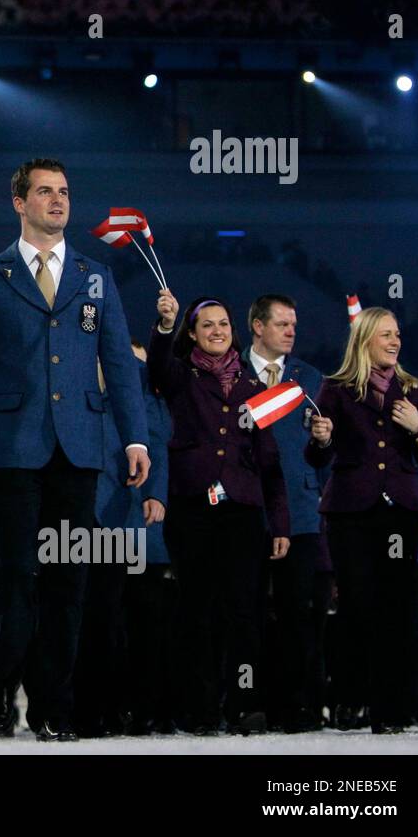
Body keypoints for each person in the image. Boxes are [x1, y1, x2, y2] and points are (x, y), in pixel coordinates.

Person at [0, 158, 151, 741]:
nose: (58, 201)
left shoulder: (96, 276)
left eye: (64, 191)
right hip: (12, 447)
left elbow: (118, 360)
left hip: (81, 448)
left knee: (69, 580)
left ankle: (54, 709)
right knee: (15, 575)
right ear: (20, 202)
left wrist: (134, 436)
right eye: (44, 191)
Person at [149, 290, 289, 735]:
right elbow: (156, 366)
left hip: (243, 513)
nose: (216, 331)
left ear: (234, 332)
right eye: (207, 325)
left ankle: (244, 704)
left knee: (244, 612)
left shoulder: (254, 387)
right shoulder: (180, 375)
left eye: (224, 324)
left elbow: (270, 462)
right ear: (192, 333)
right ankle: (201, 707)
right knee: (196, 610)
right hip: (192, 508)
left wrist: (280, 522)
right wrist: (164, 325)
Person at [305, 307, 418, 733]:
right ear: (365, 340)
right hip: (352, 515)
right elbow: (317, 458)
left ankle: (395, 710)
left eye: (397, 334)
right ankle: (352, 700)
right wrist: (321, 438)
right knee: (358, 608)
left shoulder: (412, 388)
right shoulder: (337, 389)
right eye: (386, 334)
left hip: (400, 514)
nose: (395, 341)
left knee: (400, 611)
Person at [243, 294, 328, 732]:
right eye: (282, 323)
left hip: (299, 511)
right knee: (249, 611)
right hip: (248, 510)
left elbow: (321, 454)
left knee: (298, 611)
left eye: (294, 324)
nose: (292, 331)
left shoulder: (310, 378)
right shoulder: (231, 374)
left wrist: (322, 439)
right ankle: (251, 703)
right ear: (258, 326)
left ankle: (297, 705)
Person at [75, 339, 168, 738]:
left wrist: (155, 494)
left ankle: (115, 709)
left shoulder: (133, 388)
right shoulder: (69, 379)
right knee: (75, 615)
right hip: (72, 516)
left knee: (111, 618)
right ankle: (79, 710)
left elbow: (156, 441)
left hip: (117, 514)